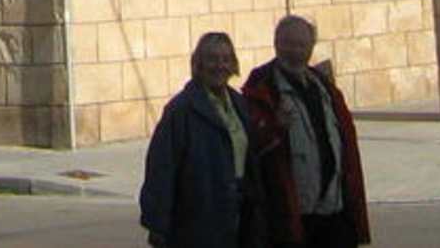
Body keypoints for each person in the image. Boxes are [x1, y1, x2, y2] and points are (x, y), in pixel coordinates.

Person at [244, 15, 370, 247]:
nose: (294, 52)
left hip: (335, 211)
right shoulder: (261, 89)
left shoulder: (324, 88)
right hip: (291, 217)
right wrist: (274, 127)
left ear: (311, 47)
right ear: (276, 44)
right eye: (287, 43)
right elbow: (249, 150)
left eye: (301, 45)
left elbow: (347, 148)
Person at [140, 31, 267, 248]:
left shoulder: (239, 104)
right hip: (197, 220)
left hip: (238, 217)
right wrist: (157, 223)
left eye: (225, 59)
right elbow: (161, 168)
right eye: (212, 59)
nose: (219, 66)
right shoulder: (181, 110)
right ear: (198, 63)